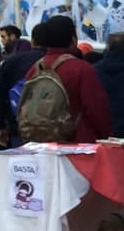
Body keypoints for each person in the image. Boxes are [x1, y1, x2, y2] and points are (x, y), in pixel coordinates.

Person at [17, 14, 111, 143]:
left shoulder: (36, 68)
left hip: (40, 144)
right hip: (77, 143)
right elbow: (96, 109)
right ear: (73, 39)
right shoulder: (82, 69)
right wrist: (105, 136)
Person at [0, 22, 45, 145]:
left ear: (33, 41)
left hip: (19, 127)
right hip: (59, 130)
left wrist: (0, 126)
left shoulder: (13, 61)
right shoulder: (68, 62)